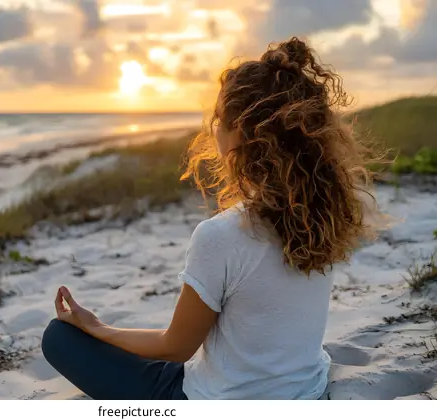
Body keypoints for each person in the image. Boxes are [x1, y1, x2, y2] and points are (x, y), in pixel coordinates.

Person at [41, 37, 377, 400]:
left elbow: (176, 348)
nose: (213, 128)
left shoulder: (222, 235)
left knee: (58, 338)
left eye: (219, 119)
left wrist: (98, 327)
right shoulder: (324, 215)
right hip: (304, 390)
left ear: (241, 135)